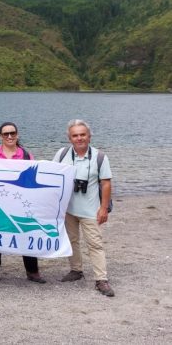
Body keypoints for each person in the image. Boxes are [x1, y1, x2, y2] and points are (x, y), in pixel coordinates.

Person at [53, 119, 115, 297]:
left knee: (95, 244)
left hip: (91, 210)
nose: (79, 138)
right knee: (72, 241)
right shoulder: (62, 154)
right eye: (75, 135)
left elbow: (106, 184)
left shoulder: (100, 157)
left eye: (82, 134)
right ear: (69, 138)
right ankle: (76, 270)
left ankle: (101, 279)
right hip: (68, 209)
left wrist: (103, 209)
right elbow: (53, 176)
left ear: (89, 136)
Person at [0, 122, 46, 283]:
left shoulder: (26, 155)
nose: (9, 136)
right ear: (0, 136)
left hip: (19, 201)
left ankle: (32, 271)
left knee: (26, 232)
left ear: (17, 134)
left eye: (12, 133)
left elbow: (32, 179)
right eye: (6, 134)